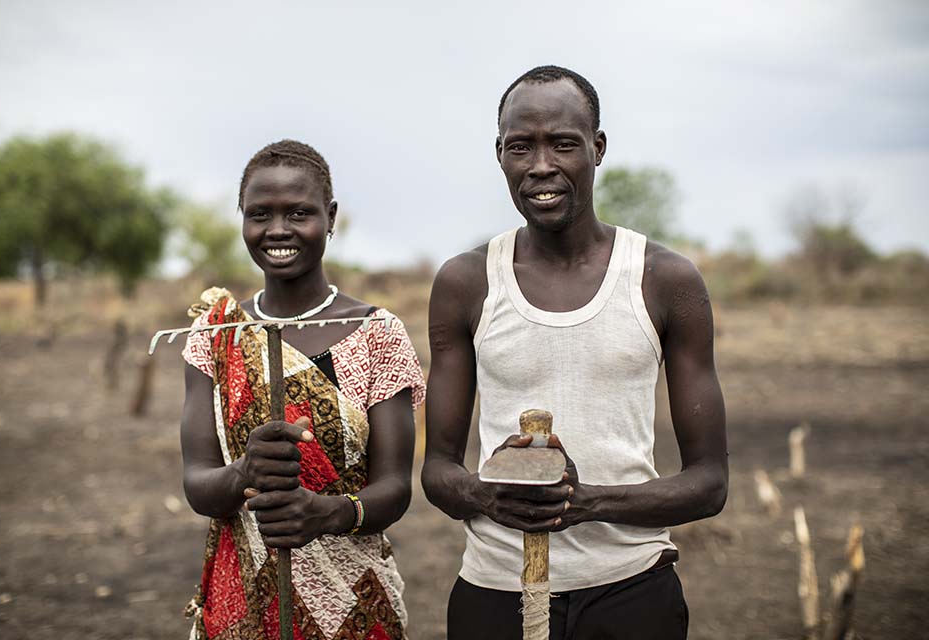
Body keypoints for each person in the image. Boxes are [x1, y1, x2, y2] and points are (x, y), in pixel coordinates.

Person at [422, 66, 728, 640]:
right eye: (521, 147)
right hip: (494, 592)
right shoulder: (466, 282)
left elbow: (709, 483)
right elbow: (438, 472)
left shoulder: (664, 280)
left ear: (598, 148)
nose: (541, 166)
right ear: (499, 155)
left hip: (631, 590)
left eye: (563, 144)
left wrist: (584, 504)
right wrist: (490, 497)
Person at [179, 139, 425, 640]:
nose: (277, 230)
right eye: (259, 214)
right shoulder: (216, 334)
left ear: (330, 217)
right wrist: (246, 471)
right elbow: (198, 486)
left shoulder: (377, 333)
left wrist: (327, 513)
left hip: (356, 602)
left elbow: (395, 489)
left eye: (299, 213)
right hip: (241, 606)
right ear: (242, 218)